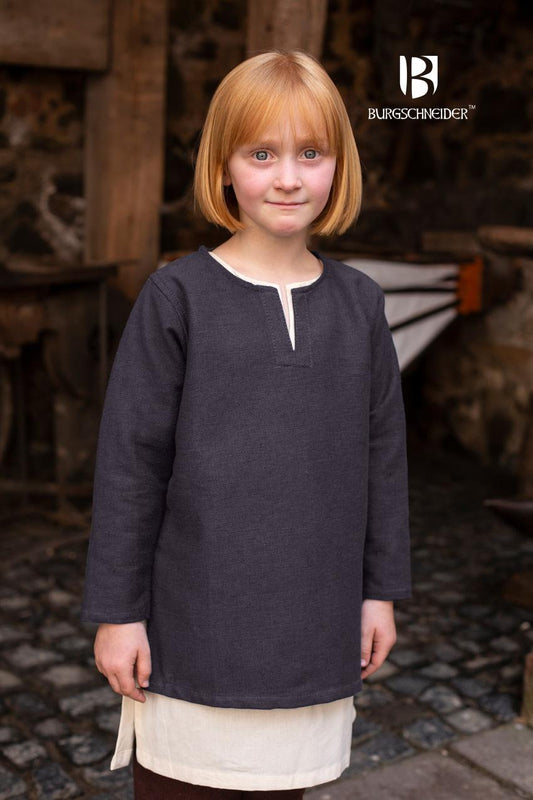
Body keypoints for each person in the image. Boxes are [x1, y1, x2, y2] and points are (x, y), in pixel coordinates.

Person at [80, 50, 412, 799]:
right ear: (224, 166)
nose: (288, 177)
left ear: (338, 165)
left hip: (315, 625)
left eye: (310, 153)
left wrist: (379, 592)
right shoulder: (177, 298)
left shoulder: (360, 304)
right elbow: (131, 464)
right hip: (191, 629)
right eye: (262, 154)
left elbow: (383, 457)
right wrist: (118, 614)